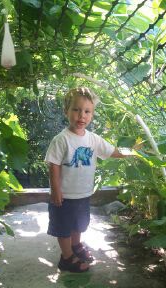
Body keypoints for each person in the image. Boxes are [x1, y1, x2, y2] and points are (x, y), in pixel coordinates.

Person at [45, 87, 135, 273]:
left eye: (87, 111)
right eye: (76, 110)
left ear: (92, 115)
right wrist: (56, 190)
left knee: (78, 224)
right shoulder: (61, 140)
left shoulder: (93, 139)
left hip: (83, 193)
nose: (81, 116)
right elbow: (53, 165)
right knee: (63, 228)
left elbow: (112, 152)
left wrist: (133, 152)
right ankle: (67, 257)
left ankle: (76, 246)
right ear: (66, 111)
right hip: (64, 195)